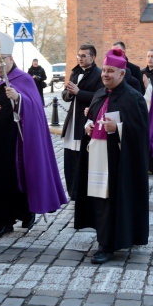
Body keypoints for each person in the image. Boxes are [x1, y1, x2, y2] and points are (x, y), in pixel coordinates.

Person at [0, 32, 67, 237]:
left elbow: (36, 109)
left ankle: (26, 213)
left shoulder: (24, 79)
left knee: (18, 178)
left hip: (17, 143)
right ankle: (2, 221)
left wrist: (19, 98)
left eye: (0, 59)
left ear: (11, 59)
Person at [74, 48, 149, 264]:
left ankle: (107, 245)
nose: (105, 74)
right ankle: (104, 236)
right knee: (99, 200)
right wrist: (88, 127)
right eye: (104, 70)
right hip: (96, 156)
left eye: (110, 71)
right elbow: (93, 119)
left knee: (111, 201)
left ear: (122, 74)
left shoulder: (134, 98)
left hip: (118, 161)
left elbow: (140, 132)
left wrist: (119, 127)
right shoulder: (99, 94)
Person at [61, 45, 103, 199]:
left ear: (93, 57)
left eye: (84, 56)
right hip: (72, 120)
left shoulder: (98, 74)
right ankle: (72, 192)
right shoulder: (74, 72)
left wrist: (79, 92)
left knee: (82, 158)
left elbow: (99, 96)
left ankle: (82, 192)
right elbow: (65, 94)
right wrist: (69, 94)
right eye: (79, 55)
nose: (80, 58)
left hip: (85, 120)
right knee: (69, 159)